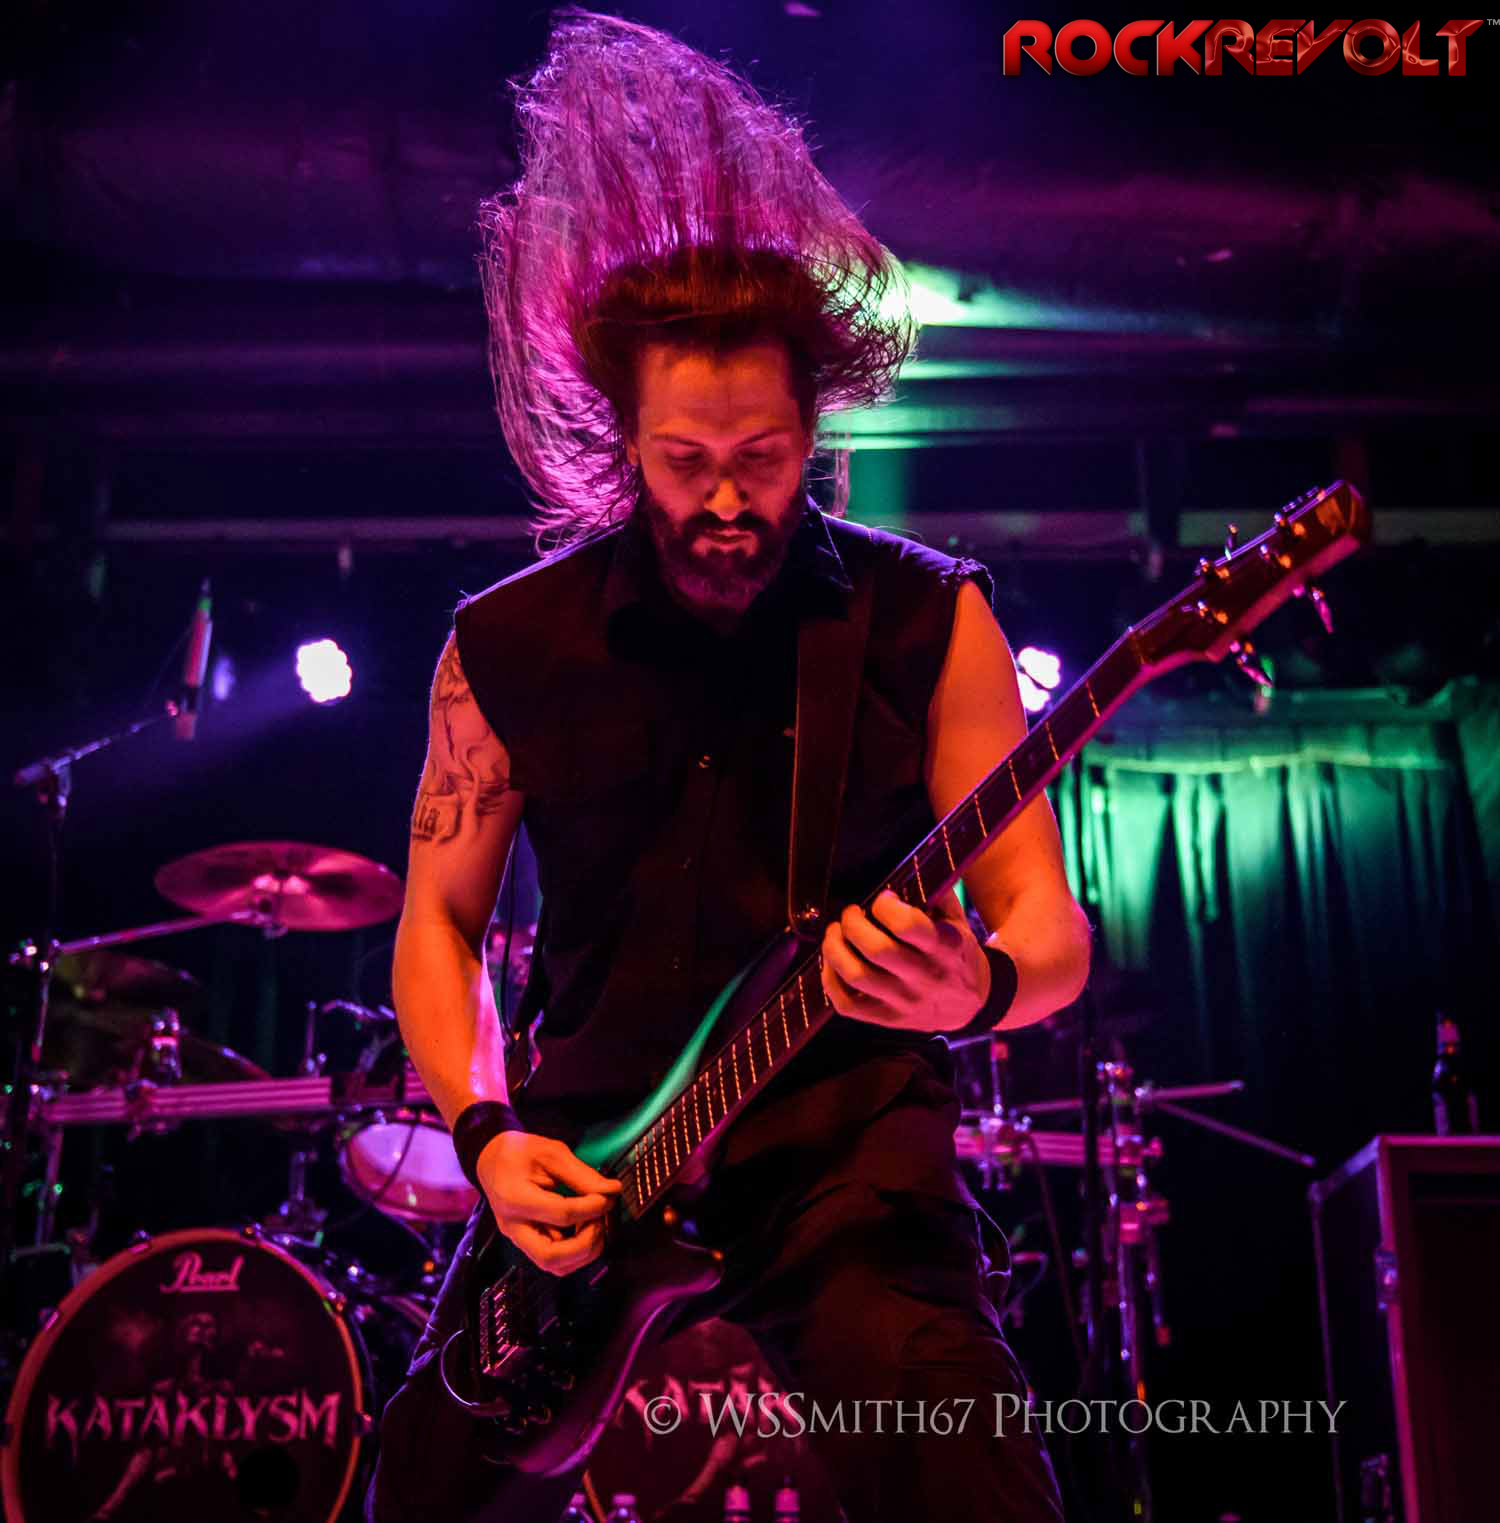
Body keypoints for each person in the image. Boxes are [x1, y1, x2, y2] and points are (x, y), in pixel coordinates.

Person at [369, 12, 1090, 1522]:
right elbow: (437, 922)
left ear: (812, 429)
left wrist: (977, 989)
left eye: (761, 460)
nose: (725, 502)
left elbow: (1050, 933)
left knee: (971, 1482)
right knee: (421, 1495)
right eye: (685, 462)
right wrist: (488, 1138)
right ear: (624, 439)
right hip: (584, 1167)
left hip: (843, 1157)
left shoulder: (926, 622)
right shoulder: (504, 648)